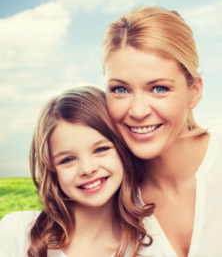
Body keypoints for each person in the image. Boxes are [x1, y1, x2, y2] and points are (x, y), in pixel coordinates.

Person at [101, 6, 222, 257]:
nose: (137, 111)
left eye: (159, 88)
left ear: (195, 92)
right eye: (120, 90)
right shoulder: (103, 194)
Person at [0, 86, 164, 257]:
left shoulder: (151, 248)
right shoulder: (18, 233)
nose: (87, 169)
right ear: (52, 170)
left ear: (122, 150)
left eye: (100, 149)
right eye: (68, 160)